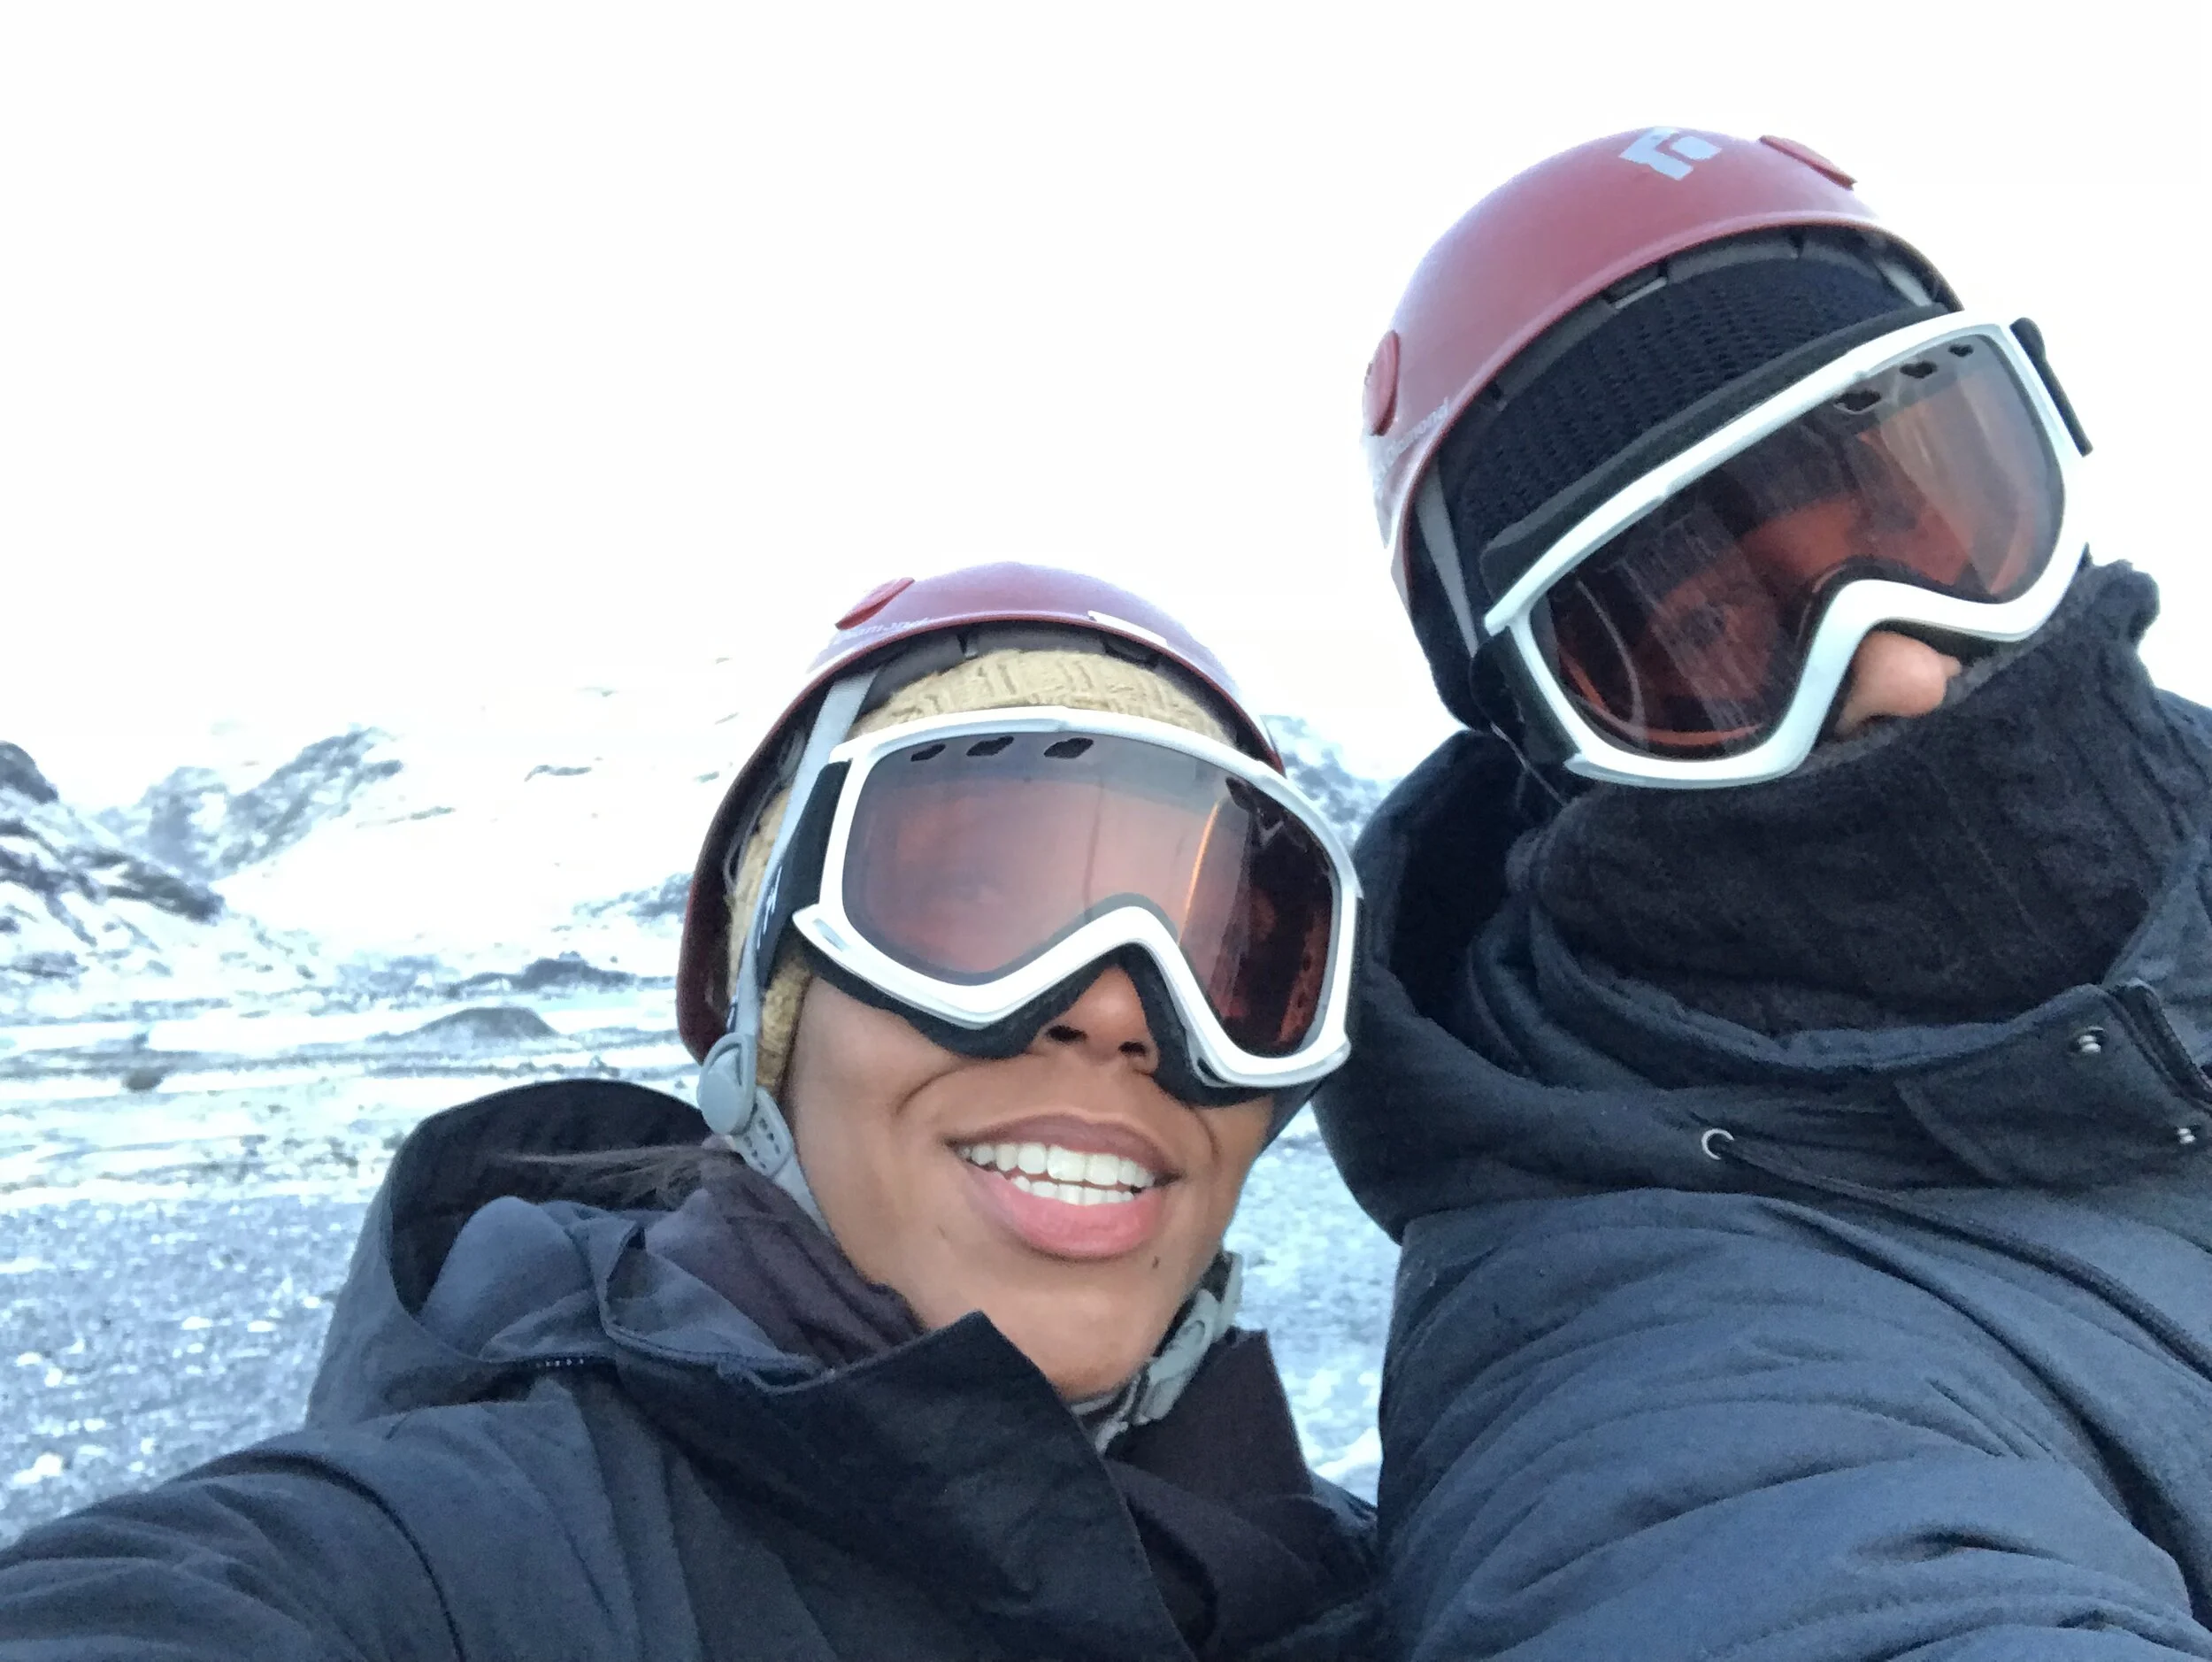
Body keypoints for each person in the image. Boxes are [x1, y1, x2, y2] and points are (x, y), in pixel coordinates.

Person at [0, 563, 1379, 1660]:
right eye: (974, 904)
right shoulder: (480, 1554)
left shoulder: (1379, 1571)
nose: (1120, 1011)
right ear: (766, 1023)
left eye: (1232, 958)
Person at [1318, 127, 2212, 1657]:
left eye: (1920, 525)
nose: (1902, 666)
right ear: (1550, 744)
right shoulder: (1634, 1345)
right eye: (1712, 635)